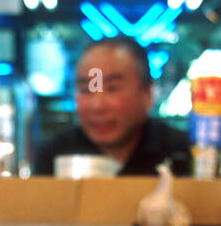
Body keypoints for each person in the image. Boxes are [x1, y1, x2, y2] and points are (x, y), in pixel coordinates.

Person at [32, 36, 192, 177]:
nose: (97, 105)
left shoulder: (183, 153)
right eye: (85, 89)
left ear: (147, 94)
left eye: (112, 88)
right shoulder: (53, 155)